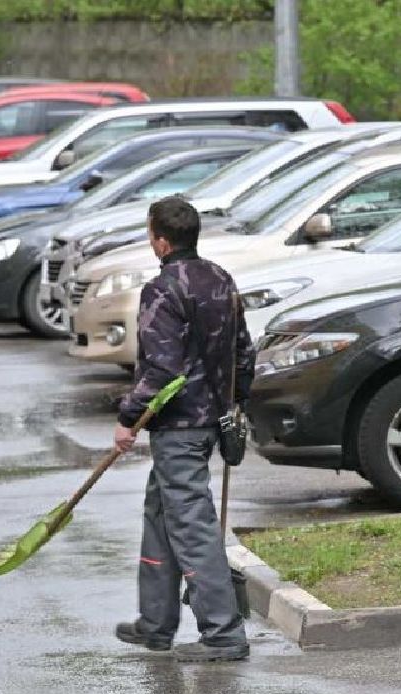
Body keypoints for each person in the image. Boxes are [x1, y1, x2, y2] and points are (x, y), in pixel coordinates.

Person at [113, 195, 255, 661]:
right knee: (161, 512)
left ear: (159, 239)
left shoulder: (162, 290)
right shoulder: (219, 279)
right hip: (212, 419)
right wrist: (233, 405)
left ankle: (223, 634)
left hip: (179, 427)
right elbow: (244, 353)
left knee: (192, 525)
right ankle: (156, 623)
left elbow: (163, 373)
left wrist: (128, 418)